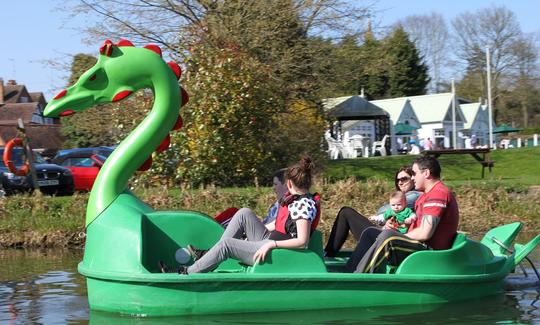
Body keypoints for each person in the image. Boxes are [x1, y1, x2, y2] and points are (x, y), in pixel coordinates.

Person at [179, 156, 320, 274]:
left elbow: (302, 241)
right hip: (269, 241)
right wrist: (252, 232)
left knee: (226, 245)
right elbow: (280, 224)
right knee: (244, 213)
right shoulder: (295, 200)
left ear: (289, 183)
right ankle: (209, 256)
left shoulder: (303, 205)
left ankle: (188, 272)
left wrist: (272, 244)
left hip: (276, 252)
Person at [345, 156, 459, 273]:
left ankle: (359, 279)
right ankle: (348, 273)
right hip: (419, 245)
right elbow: (414, 224)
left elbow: (425, 233)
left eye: (414, 174)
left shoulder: (438, 193)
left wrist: (397, 236)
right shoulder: (425, 195)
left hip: (429, 251)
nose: (413, 178)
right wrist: (395, 227)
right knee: (370, 233)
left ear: (426, 173)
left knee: (387, 238)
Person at [323, 165, 421, 257]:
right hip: (385, 234)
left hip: (387, 240)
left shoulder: (414, 195)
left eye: (404, 179)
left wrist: (384, 216)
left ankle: (328, 254)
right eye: (398, 180)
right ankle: (329, 253)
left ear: (413, 178)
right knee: (345, 212)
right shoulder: (403, 197)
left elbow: (383, 210)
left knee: (346, 213)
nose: (400, 182)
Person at [214, 168, 288, 227]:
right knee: (234, 212)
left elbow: (274, 224)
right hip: (262, 229)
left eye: (275, 184)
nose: (273, 188)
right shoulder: (278, 203)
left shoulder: (287, 204)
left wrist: (256, 224)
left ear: (286, 185)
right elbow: (269, 220)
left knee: (240, 213)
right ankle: (209, 226)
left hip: (263, 234)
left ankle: (210, 229)